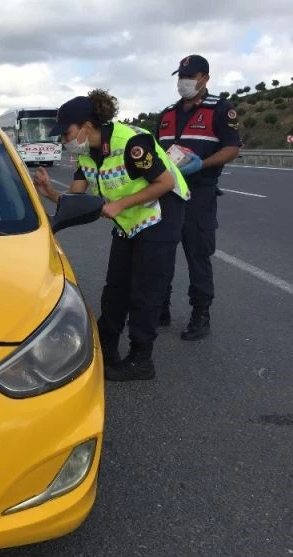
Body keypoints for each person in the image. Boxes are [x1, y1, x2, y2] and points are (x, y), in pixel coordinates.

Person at [33, 90, 190, 381]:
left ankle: (141, 360)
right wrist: (48, 192)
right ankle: (107, 348)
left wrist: (119, 204)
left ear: (86, 126)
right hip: (129, 220)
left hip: (161, 213)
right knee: (116, 286)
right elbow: (76, 200)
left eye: (66, 133)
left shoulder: (131, 144)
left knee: (144, 289)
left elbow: (165, 182)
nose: (64, 140)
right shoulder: (88, 156)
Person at [155, 55, 241, 340]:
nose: (183, 82)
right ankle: (160, 309)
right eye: (180, 76)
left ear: (204, 78)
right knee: (161, 253)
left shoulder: (220, 109)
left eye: (189, 77)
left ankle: (200, 314)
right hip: (167, 193)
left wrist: (202, 164)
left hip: (200, 194)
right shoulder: (167, 114)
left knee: (197, 257)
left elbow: (232, 148)